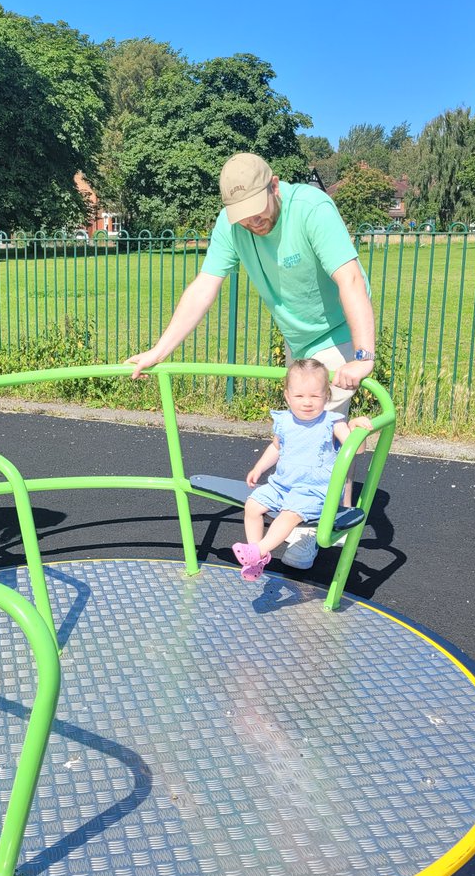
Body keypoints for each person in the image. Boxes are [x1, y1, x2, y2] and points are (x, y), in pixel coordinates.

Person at [126, 151, 377, 568]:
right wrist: (159, 350)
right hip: (298, 337)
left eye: (257, 213)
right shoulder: (232, 225)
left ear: (275, 186)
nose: (252, 224)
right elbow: (205, 286)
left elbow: (349, 277)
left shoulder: (312, 209)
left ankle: (306, 533)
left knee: (318, 421)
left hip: (339, 331)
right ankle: (325, 513)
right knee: (310, 429)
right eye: (242, 216)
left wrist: (363, 356)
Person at [232, 359, 372, 581]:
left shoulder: (333, 422)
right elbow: (276, 447)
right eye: (299, 396)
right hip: (282, 485)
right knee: (252, 506)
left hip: (313, 491)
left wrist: (355, 427)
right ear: (287, 396)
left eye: (315, 396)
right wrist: (259, 468)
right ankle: (256, 556)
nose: (307, 402)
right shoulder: (284, 420)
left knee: (288, 516)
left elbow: (357, 450)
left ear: (326, 396)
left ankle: (259, 550)